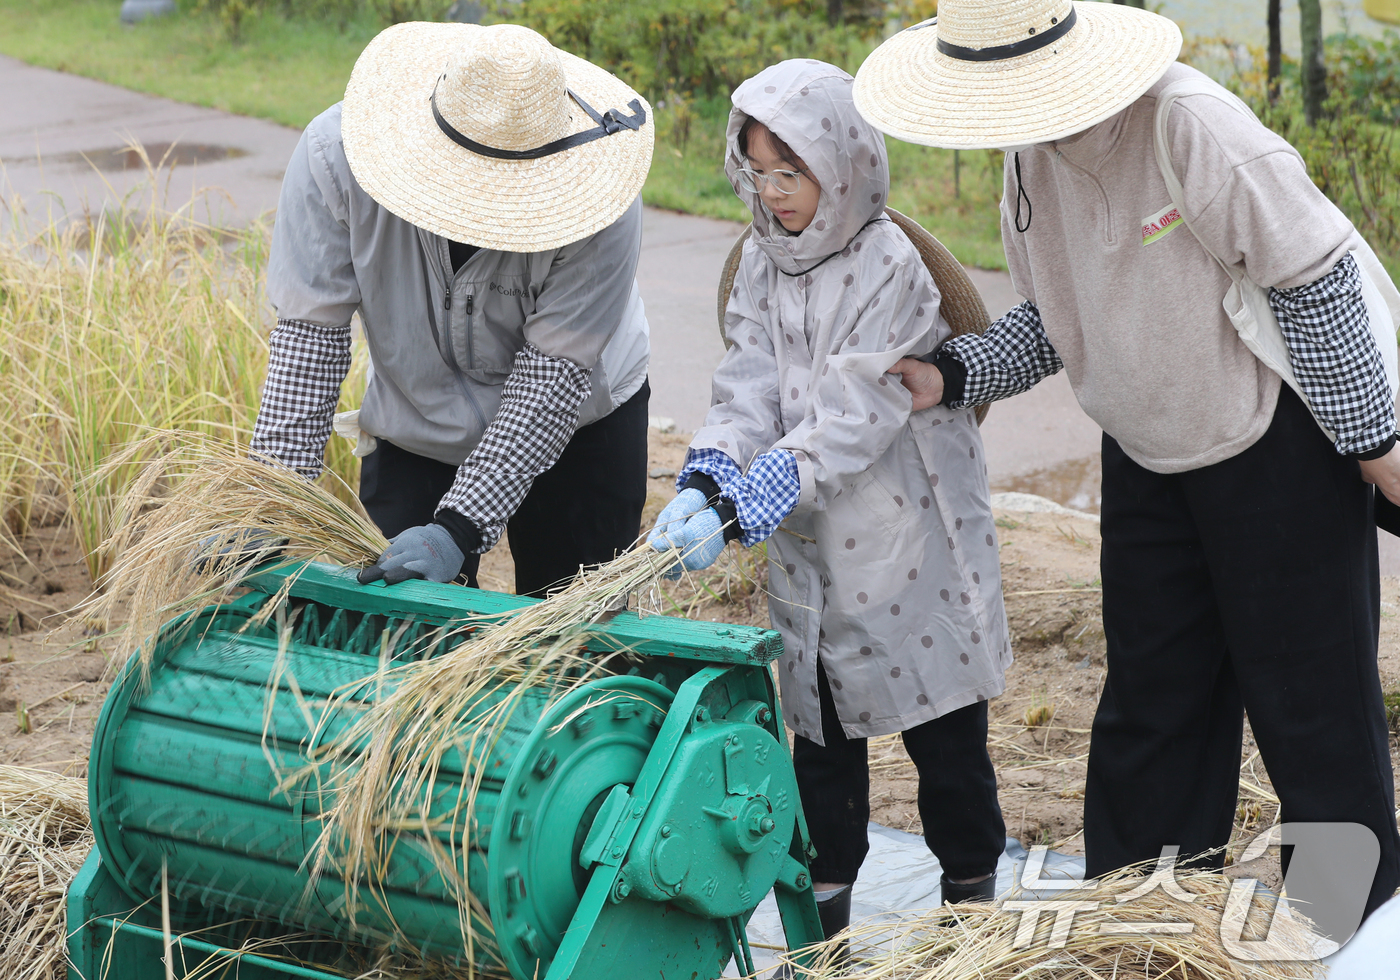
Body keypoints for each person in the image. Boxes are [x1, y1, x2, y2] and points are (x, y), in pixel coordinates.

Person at [853, 0, 1400, 938]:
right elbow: (1057, 320)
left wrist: (1378, 449)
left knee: (1309, 709)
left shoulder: (1189, 126)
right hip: (1149, 452)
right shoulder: (1030, 163)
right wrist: (949, 373)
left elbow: (1315, 280)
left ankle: (1350, 936)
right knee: (1154, 704)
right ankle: (1140, 928)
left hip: (1274, 441)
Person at [648, 59, 1011, 942]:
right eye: (759, 174)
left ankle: (970, 922)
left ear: (842, 166)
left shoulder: (891, 265)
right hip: (810, 553)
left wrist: (760, 488)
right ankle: (826, 942)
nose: (774, 196)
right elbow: (746, 389)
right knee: (820, 751)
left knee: (948, 747)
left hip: (910, 547)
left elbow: (858, 410)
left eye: (791, 175)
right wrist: (707, 474)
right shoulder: (761, 265)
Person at [250, 22, 654, 598]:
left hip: (580, 422)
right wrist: (271, 504)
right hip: (417, 417)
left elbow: (553, 376)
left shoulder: (603, 202)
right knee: (394, 623)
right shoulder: (336, 159)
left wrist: (458, 529)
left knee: (570, 639)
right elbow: (309, 340)